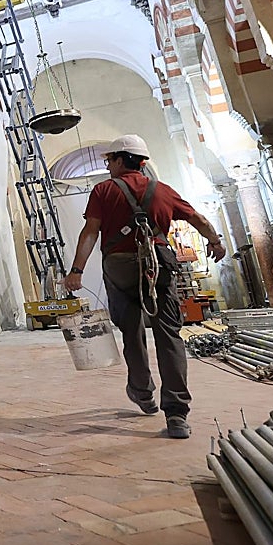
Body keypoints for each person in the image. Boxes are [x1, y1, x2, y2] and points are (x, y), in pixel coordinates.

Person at [63, 135, 226, 440]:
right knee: (169, 334)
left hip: (120, 266)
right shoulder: (162, 190)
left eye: (110, 159)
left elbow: (90, 232)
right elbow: (198, 219)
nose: (107, 165)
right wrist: (215, 241)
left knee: (131, 331)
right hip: (159, 266)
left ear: (123, 159)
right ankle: (177, 414)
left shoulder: (103, 191)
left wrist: (76, 270)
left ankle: (142, 391)